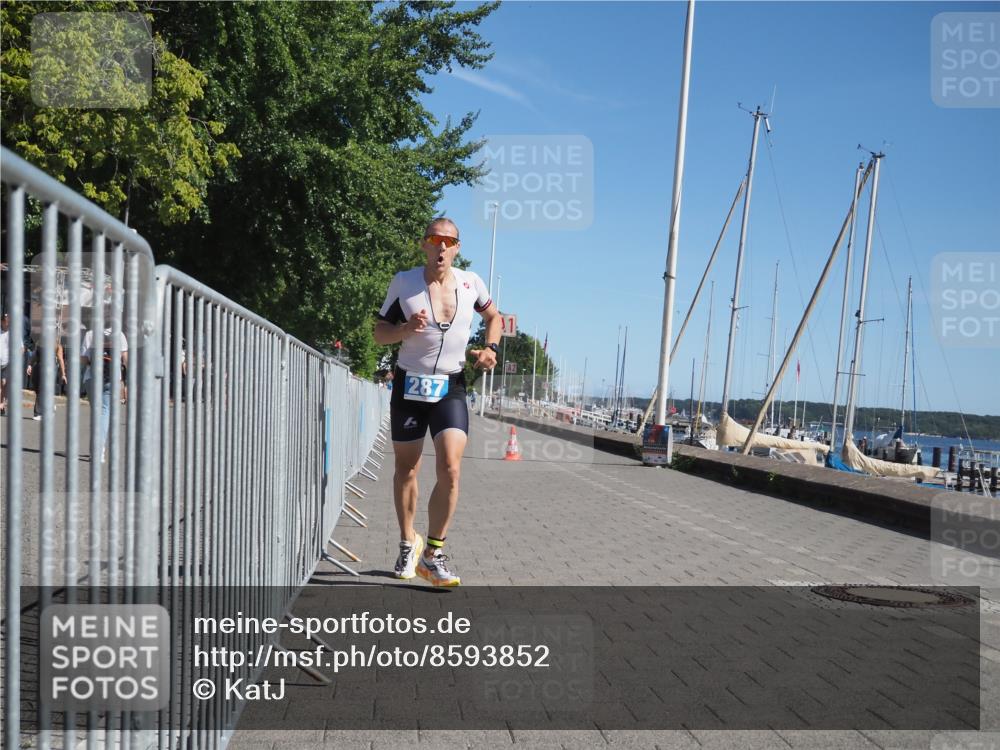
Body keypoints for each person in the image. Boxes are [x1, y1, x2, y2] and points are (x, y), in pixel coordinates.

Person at [374, 218, 501, 586]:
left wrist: (490, 348)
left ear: (457, 247)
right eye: (434, 240)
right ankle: (405, 541)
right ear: (424, 245)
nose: (441, 247)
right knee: (407, 469)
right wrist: (402, 330)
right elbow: (379, 332)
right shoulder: (405, 282)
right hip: (409, 385)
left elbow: (492, 316)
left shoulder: (471, 283)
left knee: (450, 467)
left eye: (449, 241)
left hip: (451, 385)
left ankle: (433, 553)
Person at [82, 312, 128, 462]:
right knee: (104, 412)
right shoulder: (119, 335)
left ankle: (95, 449)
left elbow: (83, 359)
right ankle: (98, 450)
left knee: (97, 413)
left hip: (92, 377)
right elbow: (125, 360)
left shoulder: (90, 334)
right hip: (112, 378)